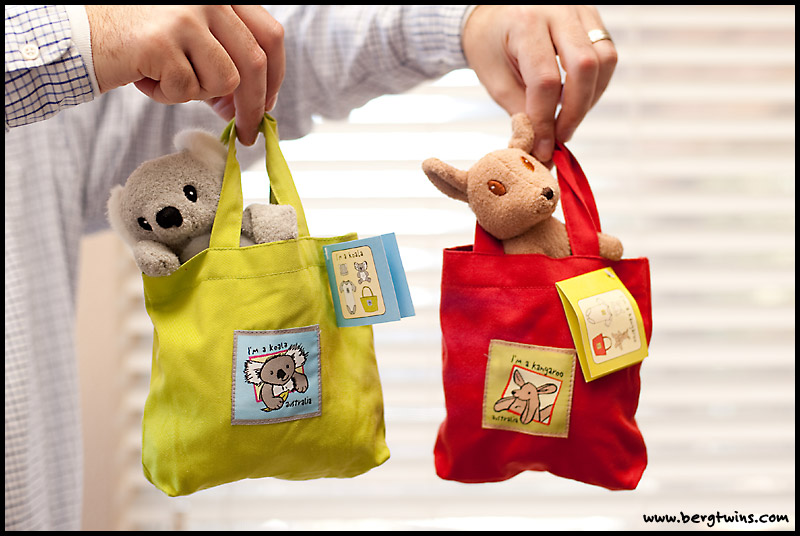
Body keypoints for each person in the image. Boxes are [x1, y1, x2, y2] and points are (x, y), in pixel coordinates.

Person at [5, 5, 617, 530]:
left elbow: (253, 63)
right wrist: (85, 36)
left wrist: (464, 20)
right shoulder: (80, 39)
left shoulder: (72, 113)